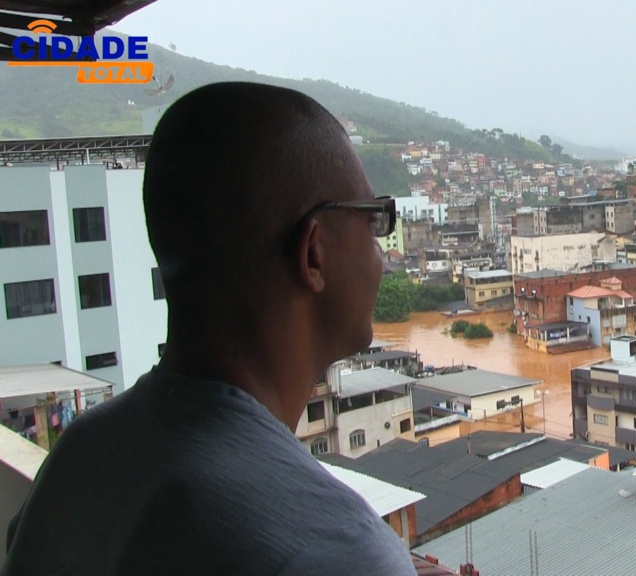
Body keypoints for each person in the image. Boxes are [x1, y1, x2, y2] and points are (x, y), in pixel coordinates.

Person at [2, 82, 415, 576]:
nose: (381, 252)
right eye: (373, 222)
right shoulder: (335, 548)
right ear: (314, 253)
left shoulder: (79, 457)